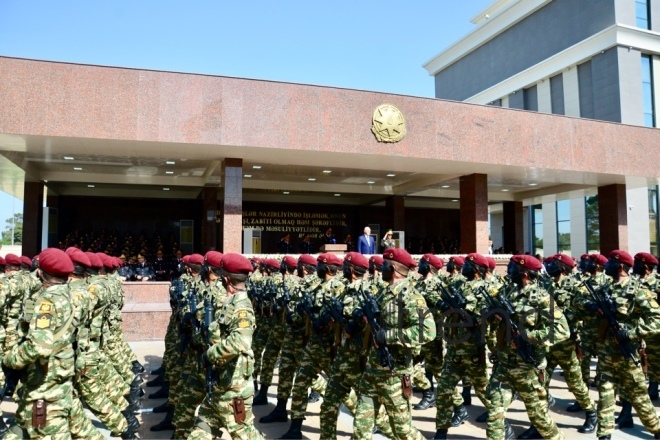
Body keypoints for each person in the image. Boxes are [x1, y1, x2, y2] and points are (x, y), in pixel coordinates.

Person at [188, 252, 263, 440]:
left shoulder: (242, 307)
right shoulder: (230, 302)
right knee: (199, 433)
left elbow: (240, 341)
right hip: (219, 387)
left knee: (245, 435)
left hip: (234, 390)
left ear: (227, 281)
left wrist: (210, 355)